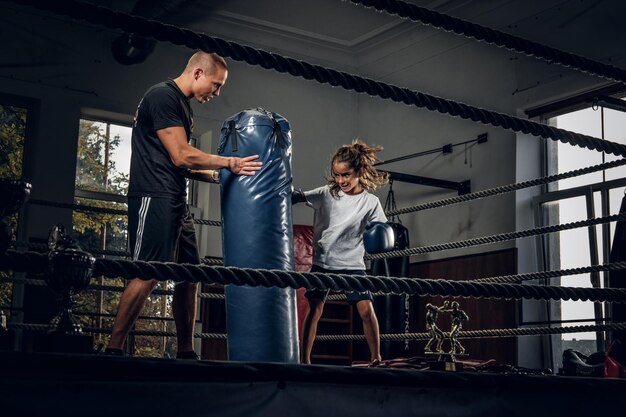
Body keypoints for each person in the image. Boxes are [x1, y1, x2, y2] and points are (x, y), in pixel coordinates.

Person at [104, 51, 262, 359]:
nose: (216, 93)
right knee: (148, 271)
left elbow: (182, 164)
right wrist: (229, 161)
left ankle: (186, 351)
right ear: (199, 73)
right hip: (154, 194)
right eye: (216, 85)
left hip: (175, 196)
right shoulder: (163, 96)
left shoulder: (181, 106)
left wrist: (218, 175)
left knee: (191, 274)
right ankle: (113, 349)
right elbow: (180, 154)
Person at [293, 139, 389, 366]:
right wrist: (283, 193)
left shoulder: (370, 202)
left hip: (353, 264)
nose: (341, 180)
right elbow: (298, 197)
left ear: (359, 172)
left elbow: (381, 229)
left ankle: (376, 357)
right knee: (315, 308)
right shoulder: (326, 193)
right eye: (337, 175)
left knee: (366, 310)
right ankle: (304, 360)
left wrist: (383, 234)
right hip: (323, 262)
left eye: (346, 175)